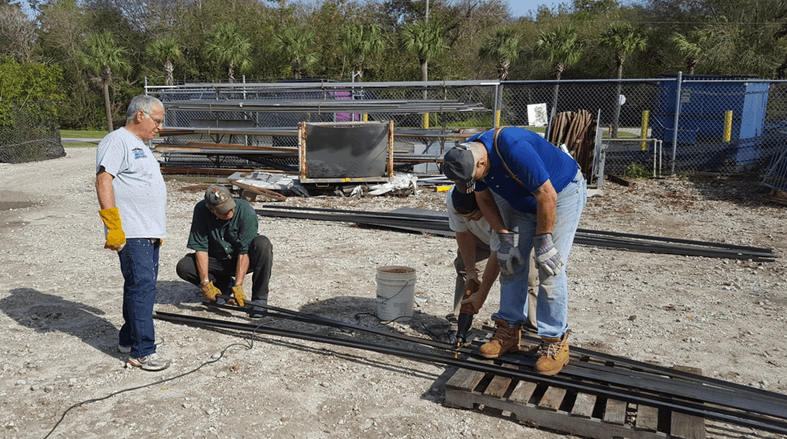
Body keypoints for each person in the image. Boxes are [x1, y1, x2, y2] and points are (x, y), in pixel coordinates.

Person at [442, 126, 586, 376]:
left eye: (474, 178)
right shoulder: (467, 153)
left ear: (482, 163)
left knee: (548, 267)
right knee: (510, 263)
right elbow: (484, 199)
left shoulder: (514, 148)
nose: (473, 184)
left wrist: (544, 242)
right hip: (522, 201)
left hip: (560, 195)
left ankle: (555, 341)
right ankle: (508, 330)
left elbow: (547, 195)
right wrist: (503, 235)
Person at [95, 94, 170, 371]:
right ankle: (142, 351)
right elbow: (103, 180)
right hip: (133, 231)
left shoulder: (139, 145)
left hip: (147, 231)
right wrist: (113, 224)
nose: (159, 127)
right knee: (143, 288)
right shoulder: (117, 140)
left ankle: (129, 339)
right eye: (158, 120)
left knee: (138, 287)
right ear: (141, 115)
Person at [447, 187, 538, 343]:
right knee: (465, 273)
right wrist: (471, 272)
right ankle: (459, 323)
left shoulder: (500, 205)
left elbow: (497, 258)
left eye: (473, 215)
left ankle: (532, 330)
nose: (468, 220)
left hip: (512, 237)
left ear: (482, 205)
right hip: (480, 236)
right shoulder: (453, 198)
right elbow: (463, 232)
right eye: (464, 216)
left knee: (528, 277)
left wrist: (481, 295)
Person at [176, 185, 273, 316]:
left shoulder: (245, 210)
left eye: (230, 208)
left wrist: (238, 286)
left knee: (263, 244)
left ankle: (259, 300)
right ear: (210, 209)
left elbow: (244, 252)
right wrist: (205, 283)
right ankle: (223, 287)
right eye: (223, 211)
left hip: (242, 259)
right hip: (217, 259)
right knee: (184, 266)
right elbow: (201, 249)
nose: (229, 212)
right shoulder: (201, 210)